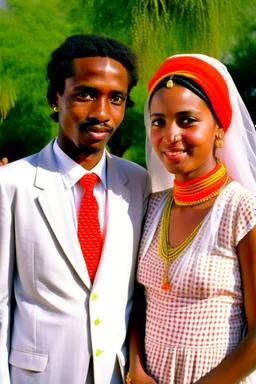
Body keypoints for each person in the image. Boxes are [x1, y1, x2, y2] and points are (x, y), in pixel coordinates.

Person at [0, 34, 151, 384]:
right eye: (85, 94)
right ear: (56, 97)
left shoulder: (139, 183)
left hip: (116, 375)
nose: (101, 113)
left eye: (116, 99)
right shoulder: (12, 184)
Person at [127, 54, 256, 384]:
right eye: (159, 121)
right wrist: (136, 368)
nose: (170, 135)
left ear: (219, 130)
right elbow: (140, 303)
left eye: (186, 121)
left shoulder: (242, 210)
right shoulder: (153, 207)